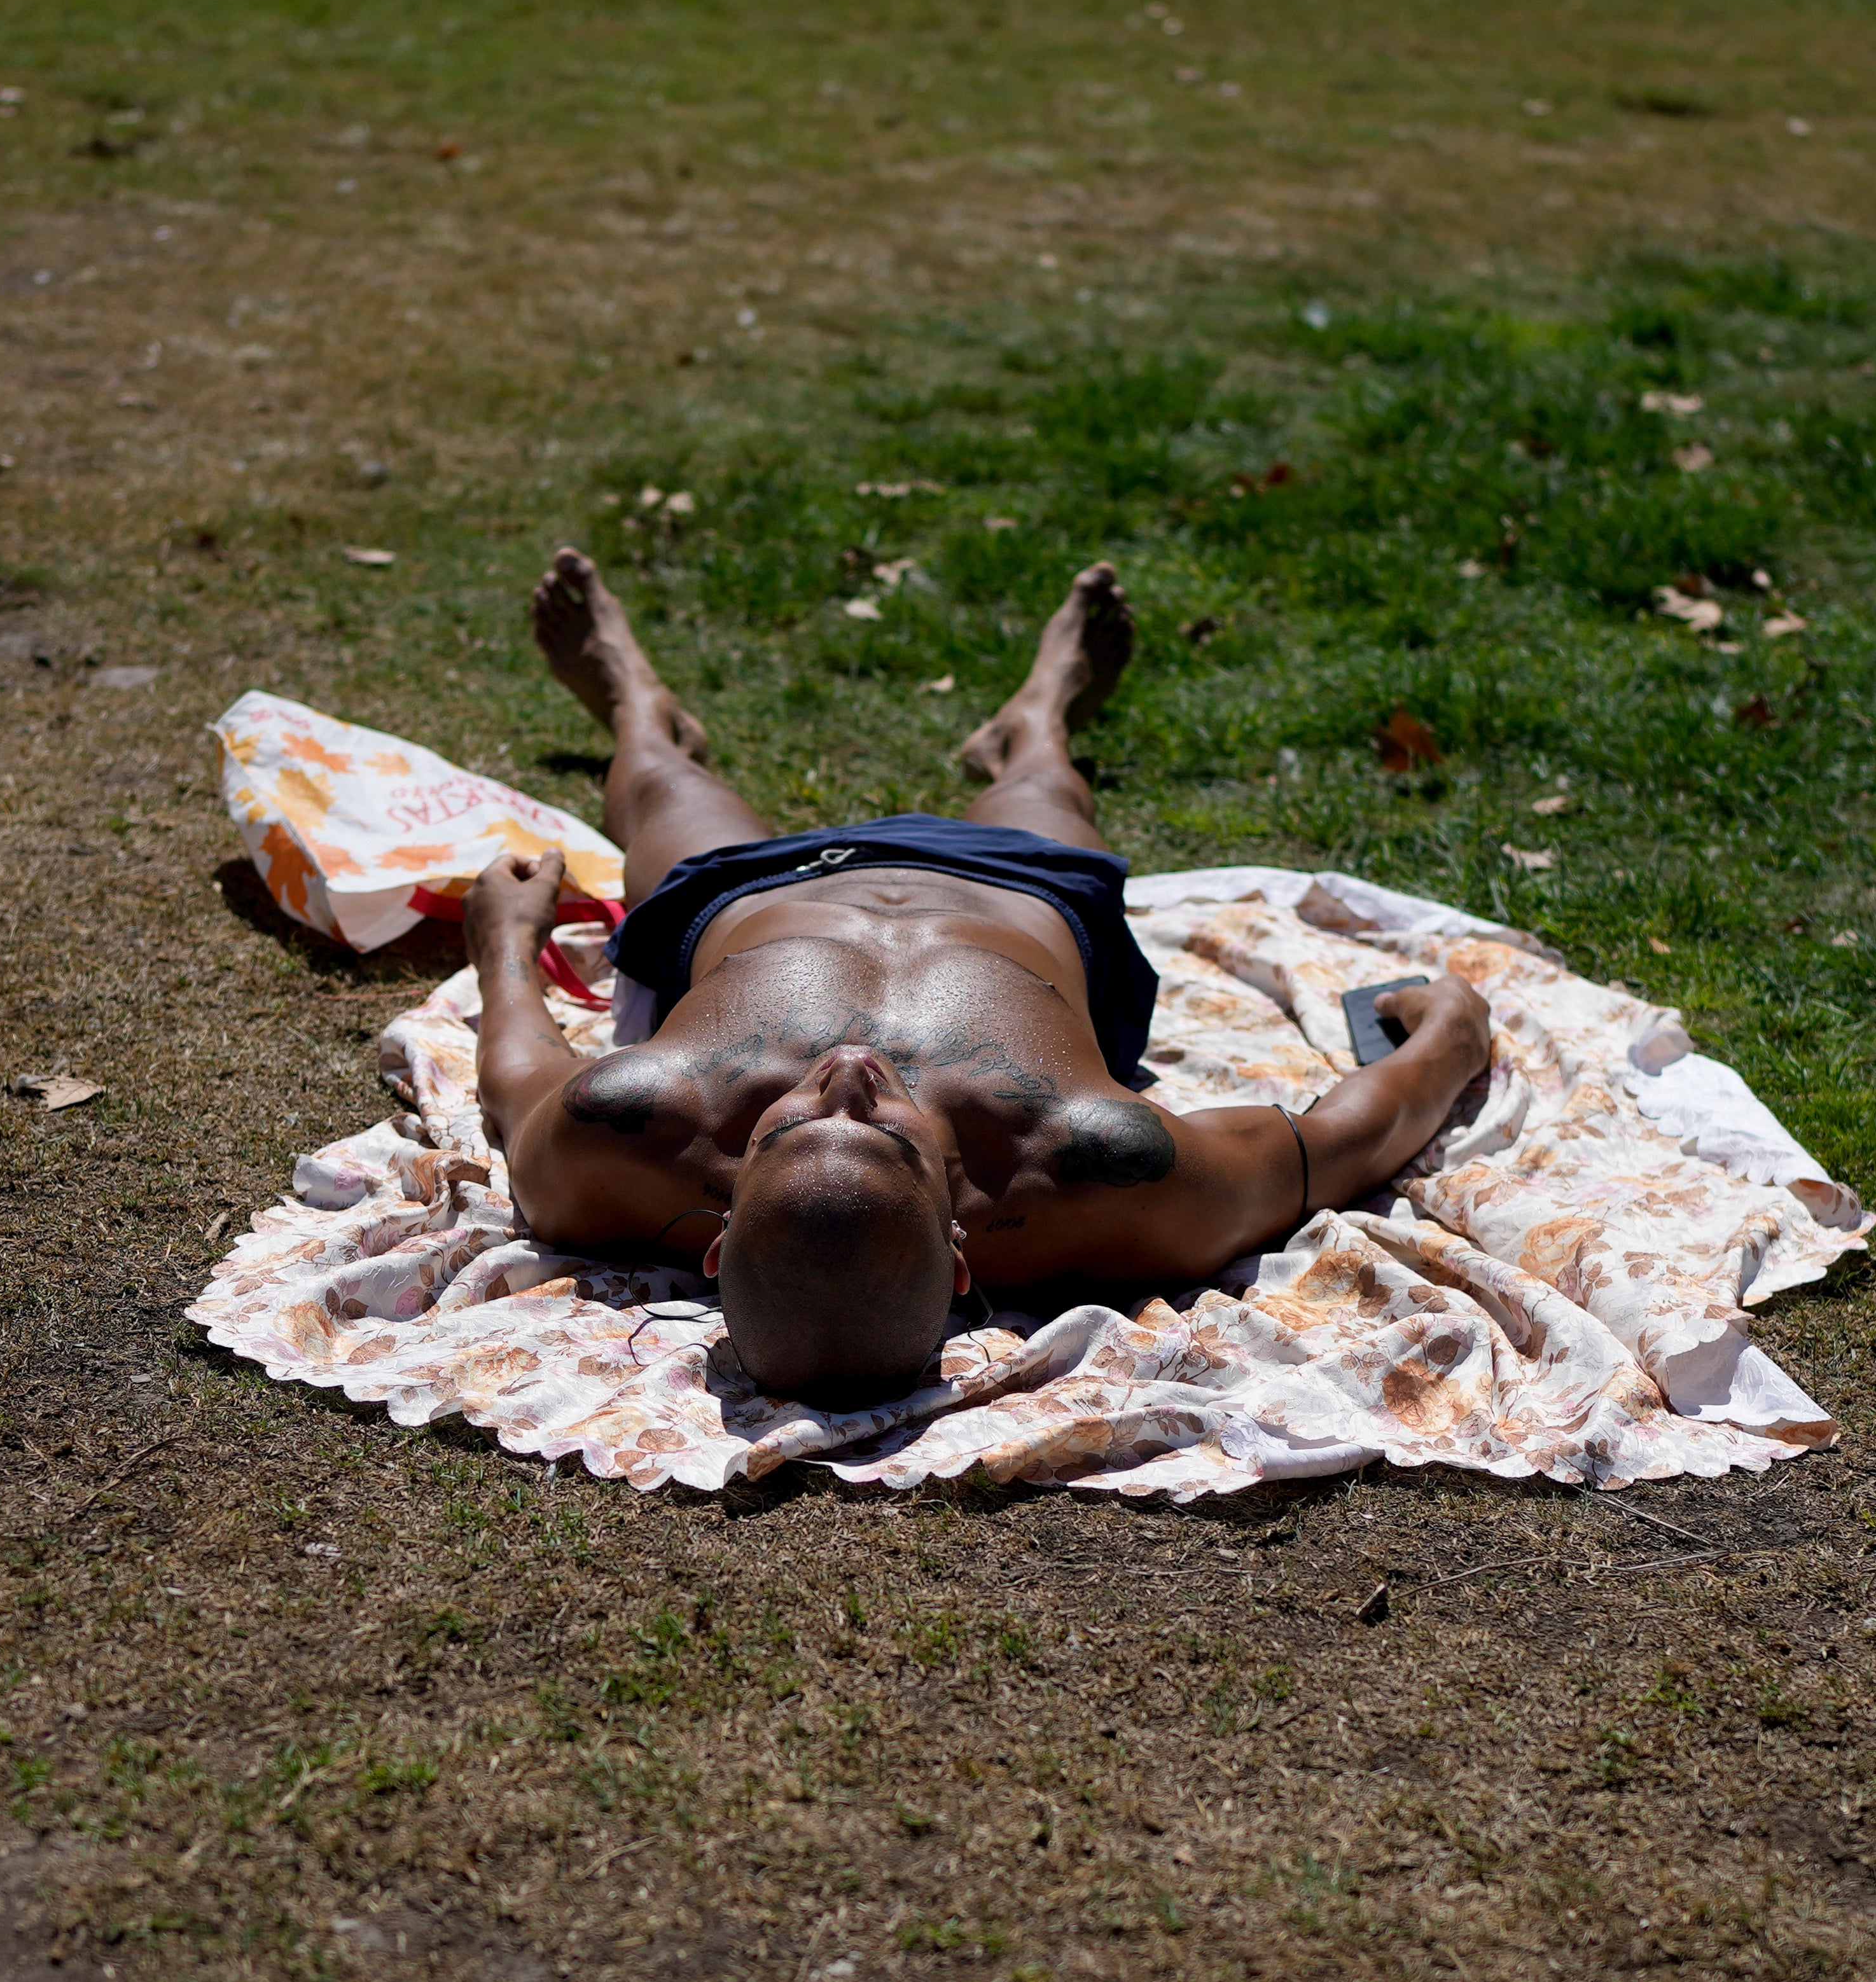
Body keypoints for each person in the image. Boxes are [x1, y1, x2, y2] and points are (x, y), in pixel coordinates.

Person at [463, 547, 1493, 1409]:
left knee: (658, 783)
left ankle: (638, 705)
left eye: (784, 1130)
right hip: (1013, 889)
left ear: (718, 1235)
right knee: (1044, 784)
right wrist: (1452, 1037)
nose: (847, 1072)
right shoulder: (1100, 1166)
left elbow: (517, 1080)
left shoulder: (621, 1131)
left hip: (746, 892)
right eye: (889, 1136)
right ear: (959, 1253)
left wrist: (504, 942)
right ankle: (1033, 721)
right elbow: (1333, 1147)